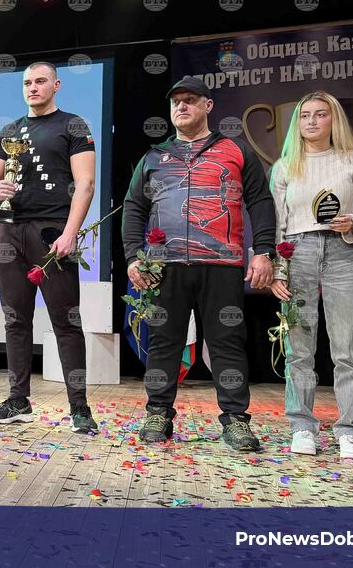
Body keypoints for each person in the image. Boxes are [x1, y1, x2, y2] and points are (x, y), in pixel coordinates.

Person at [122, 75, 276, 452]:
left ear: (208, 105)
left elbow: (260, 201)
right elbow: (134, 207)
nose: (181, 106)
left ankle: (235, 419)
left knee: (227, 342)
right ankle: (158, 413)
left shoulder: (236, 150)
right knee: (164, 342)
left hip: (222, 264)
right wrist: (133, 256)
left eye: (190, 100)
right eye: (176, 101)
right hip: (165, 266)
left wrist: (263, 250)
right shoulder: (154, 156)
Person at [0, 62, 98, 430]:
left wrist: (70, 232)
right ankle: (18, 399)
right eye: (27, 82)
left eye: (40, 81)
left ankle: (79, 408)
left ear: (57, 85)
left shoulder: (73, 125)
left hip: (52, 232)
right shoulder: (9, 131)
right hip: (9, 231)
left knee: (66, 321)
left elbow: (86, 184)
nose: (32, 87)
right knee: (15, 320)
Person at [269, 91, 353, 460]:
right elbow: (278, 224)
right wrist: (278, 270)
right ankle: (302, 426)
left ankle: (350, 431)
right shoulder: (284, 166)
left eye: (320, 114)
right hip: (297, 252)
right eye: (305, 116)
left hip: (343, 251)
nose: (312, 121)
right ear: (297, 123)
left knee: (348, 349)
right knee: (298, 349)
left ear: (334, 120)